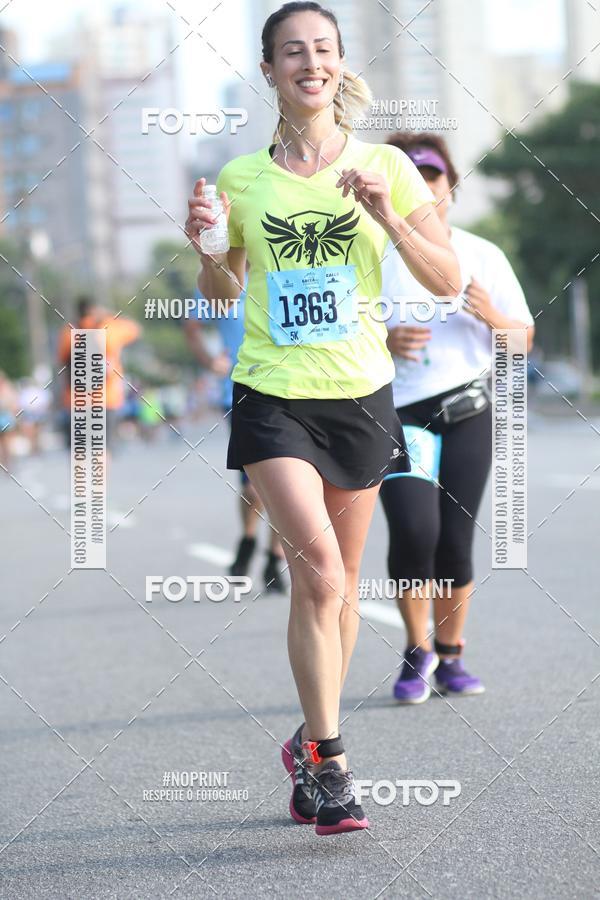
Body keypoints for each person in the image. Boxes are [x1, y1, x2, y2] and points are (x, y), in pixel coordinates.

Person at [184, 1, 460, 835]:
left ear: (339, 64)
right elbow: (223, 292)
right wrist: (204, 253)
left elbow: (446, 278)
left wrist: (384, 215)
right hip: (272, 392)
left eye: (324, 49)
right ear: (268, 70)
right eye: (292, 52)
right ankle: (333, 765)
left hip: (361, 393)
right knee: (324, 579)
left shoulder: (388, 165)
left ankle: (307, 738)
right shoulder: (240, 179)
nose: (310, 63)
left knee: (340, 591)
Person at [379, 133, 535, 704]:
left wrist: (491, 313)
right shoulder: (373, 256)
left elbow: (521, 342)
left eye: (434, 176)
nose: (424, 187)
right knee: (415, 532)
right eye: (411, 177)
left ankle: (450, 656)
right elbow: (343, 336)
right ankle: (415, 649)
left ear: (451, 186)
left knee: (455, 540)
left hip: (467, 410)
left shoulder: (482, 254)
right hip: (398, 415)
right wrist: (385, 337)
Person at [184, 287, 286, 593]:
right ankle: (249, 537)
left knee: (288, 486)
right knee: (253, 489)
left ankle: (274, 556)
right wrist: (209, 359)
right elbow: (191, 327)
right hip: (241, 394)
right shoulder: (222, 281)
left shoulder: (282, 273)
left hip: (290, 390)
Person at [57, 296, 141, 454]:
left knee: (80, 449)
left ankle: (83, 478)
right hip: (105, 398)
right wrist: (109, 314)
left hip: (76, 399)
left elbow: (62, 363)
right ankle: (100, 477)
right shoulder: (110, 327)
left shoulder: (68, 332)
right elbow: (135, 329)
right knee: (103, 448)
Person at [0, 371, 18, 473]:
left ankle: (8, 463)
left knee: (7, 442)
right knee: (3, 443)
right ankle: (4, 464)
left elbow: (13, 403)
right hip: (5, 417)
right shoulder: (7, 388)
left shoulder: (7, 388)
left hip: (6, 418)